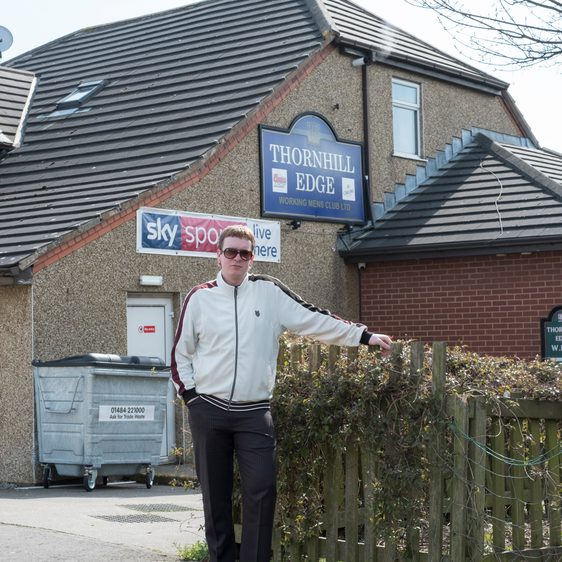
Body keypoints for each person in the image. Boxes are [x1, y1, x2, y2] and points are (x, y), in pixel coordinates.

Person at [170, 224, 392, 562]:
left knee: (262, 490)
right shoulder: (199, 298)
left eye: (244, 253)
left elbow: (314, 319)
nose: (237, 259)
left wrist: (363, 336)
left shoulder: (269, 293)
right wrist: (192, 399)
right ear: (218, 255)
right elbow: (179, 355)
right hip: (209, 411)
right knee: (215, 499)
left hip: (254, 412)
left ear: (252, 259)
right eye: (230, 252)